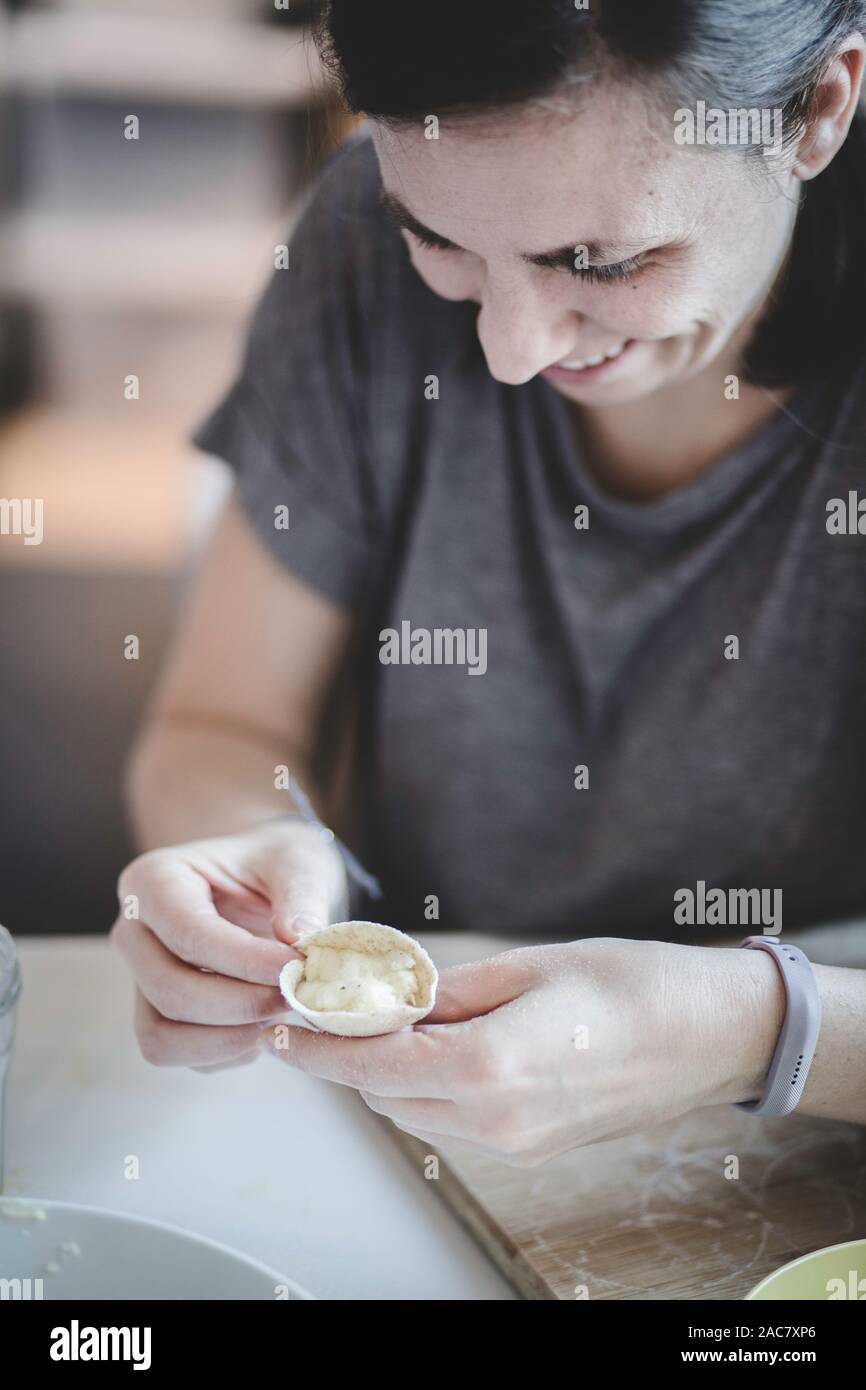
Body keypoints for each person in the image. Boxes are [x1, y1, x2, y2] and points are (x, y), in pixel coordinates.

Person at [113, 1, 866, 1164]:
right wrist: (258, 852)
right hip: (423, 1150)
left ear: (818, 107)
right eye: (442, 242)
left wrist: (752, 1027)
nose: (510, 349)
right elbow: (221, 725)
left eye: (599, 261)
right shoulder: (355, 251)